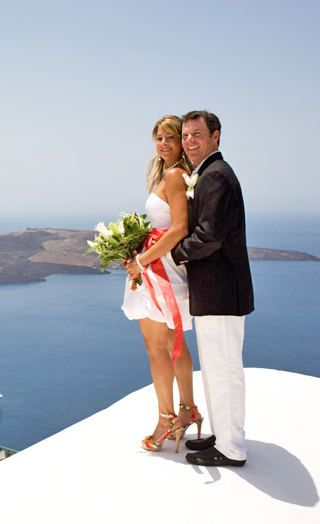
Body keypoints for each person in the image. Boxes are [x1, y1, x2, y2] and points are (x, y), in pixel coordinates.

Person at [171, 110, 254, 467]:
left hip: (221, 293)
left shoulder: (216, 176)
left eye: (196, 134)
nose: (189, 140)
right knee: (215, 368)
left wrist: (175, 253)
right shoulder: (206, 174)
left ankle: (233, 449)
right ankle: (222, 435)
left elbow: (210, 237)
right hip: (213, 293)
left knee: (225, 370)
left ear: (215, 136)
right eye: (186, 135)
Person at [123, 115, 203, 453]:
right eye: (159, 138)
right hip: (164, 265)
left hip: (161, 269)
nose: (164, 144)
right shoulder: (173, 174)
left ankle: (165, 418)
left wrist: (141, 260)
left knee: (156, 347)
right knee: (175, 342)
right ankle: (187, 410)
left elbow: (178, 229)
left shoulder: (173, 175)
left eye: (171, 138)